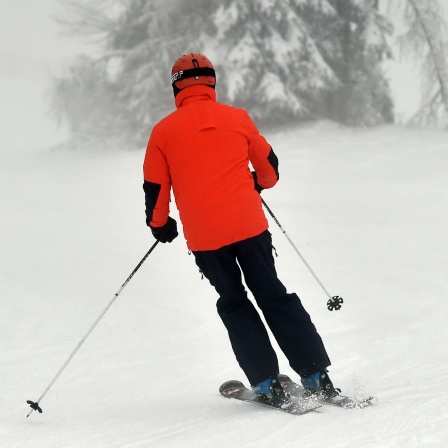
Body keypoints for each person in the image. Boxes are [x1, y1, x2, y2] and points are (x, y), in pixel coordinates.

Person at [143, 53, 339, 405]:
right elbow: (269, 170)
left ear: (176, 86)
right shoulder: (237, 117)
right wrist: (256, 184)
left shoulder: (163, 132)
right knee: (274, 296)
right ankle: (315, 374)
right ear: (212, 82)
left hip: (206, 238)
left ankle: (265, 382)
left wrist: (160, 225)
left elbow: (156, 188)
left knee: (234, 302)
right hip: (249, 227)